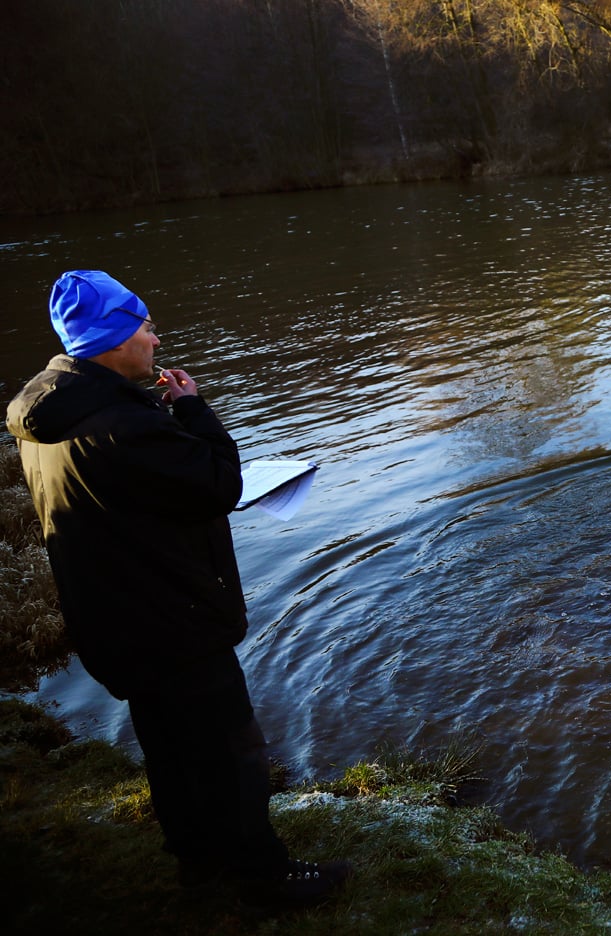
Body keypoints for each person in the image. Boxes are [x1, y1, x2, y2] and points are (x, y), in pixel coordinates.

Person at [5, 270, 350, 908]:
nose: (156, 338)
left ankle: (198, 862)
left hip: (111, 620)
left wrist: (161, 422)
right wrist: (193, 410)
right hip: (172, 619)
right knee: (232, 749)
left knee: (168, 748)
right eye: (144, 325)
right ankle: (263, 877)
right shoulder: (127, 424)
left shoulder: (48, 411)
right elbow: (221, 484)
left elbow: (128, 493)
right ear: (111, 338)